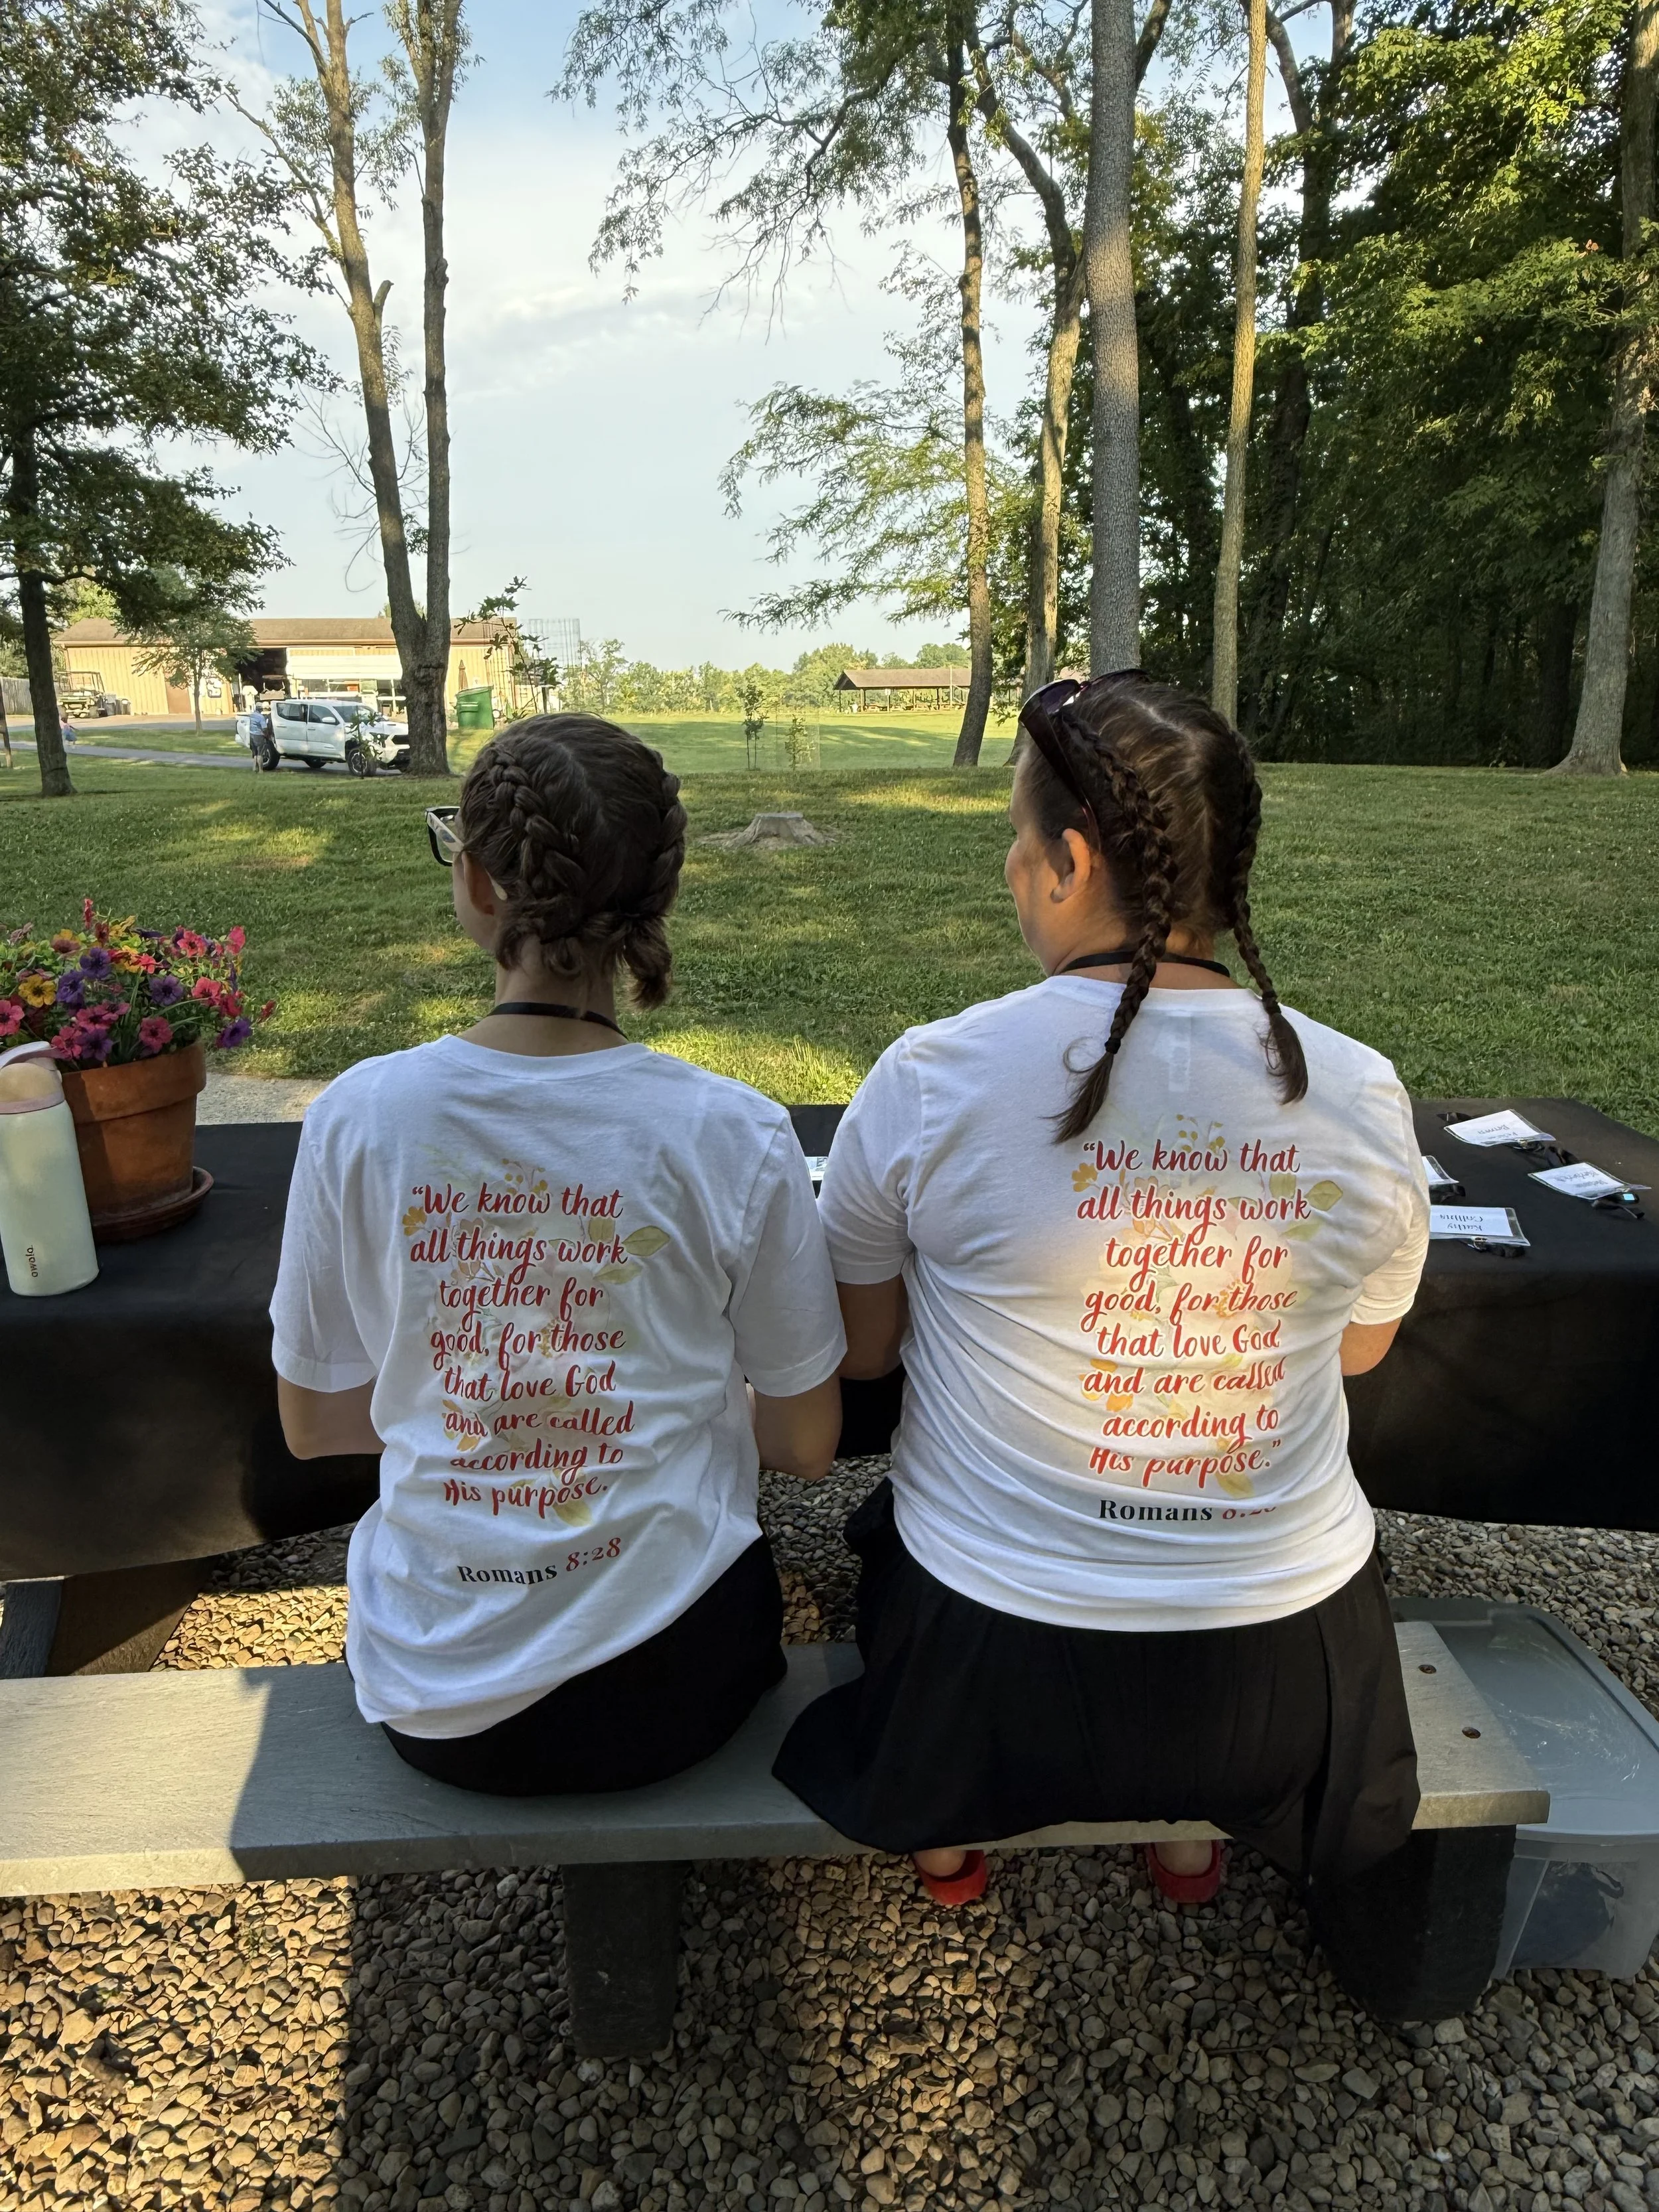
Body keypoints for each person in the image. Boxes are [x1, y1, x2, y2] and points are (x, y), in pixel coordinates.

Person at [774, 673, 1429, 1910]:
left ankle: (946, 1840)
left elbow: (864, 1356)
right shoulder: (1359, 1088)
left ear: (1071, 862)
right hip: (1289, 1672)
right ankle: (1190, 1840)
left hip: (996, 1671)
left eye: (1018, 847)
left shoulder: (933, 1077)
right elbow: (1355, 1354)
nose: (1012, 872)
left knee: (893, 1549)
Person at [271, 715, 846, 1792]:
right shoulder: (735, 1132)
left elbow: (315, 1423)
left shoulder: (358, 1116)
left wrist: (483, 1424)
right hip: (681, 1683)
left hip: (441, 1695)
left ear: (480, 882)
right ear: (656, 898)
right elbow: (809, 1443)